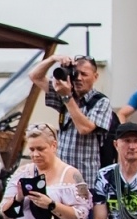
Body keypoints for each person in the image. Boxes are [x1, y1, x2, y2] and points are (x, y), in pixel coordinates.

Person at [31, 54, 112, 185]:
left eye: (84, 74)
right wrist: (53, 59)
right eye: (75, 74)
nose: (79, 78)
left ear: (95, 77)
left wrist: (67, 97)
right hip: (61, 176)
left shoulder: (101, 101)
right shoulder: (64, 92)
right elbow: (35, 76)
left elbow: (84, 128)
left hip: (86, 178)